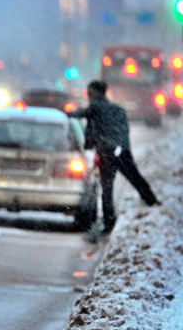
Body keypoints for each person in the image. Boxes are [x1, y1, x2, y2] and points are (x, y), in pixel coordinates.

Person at [69, 80, 161, 234]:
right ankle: (151, 201)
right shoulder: (117, 109)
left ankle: (109, 223)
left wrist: (63, 113)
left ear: (97, 93)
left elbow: (78, 114)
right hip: (121, 150)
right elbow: (123, 129)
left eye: (90, 92)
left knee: (107, 189)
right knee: (135, 178)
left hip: (107, 152)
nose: (88, 95)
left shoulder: (96, 107)